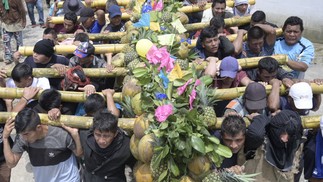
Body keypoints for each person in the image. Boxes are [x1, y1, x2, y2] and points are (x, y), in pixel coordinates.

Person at [3, 108, 83, 182]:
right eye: (22, 134)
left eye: (26, 134)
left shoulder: (61, 133)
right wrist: (5, 138)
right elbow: (11, 163)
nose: (24, 138)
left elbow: (79, 154)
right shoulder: (22, 137)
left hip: (68, 179)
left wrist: (75, 136)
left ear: (38, 128)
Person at [243, 110, 304, 182]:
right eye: (281, 132)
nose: (284, 139)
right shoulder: (260, 142)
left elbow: (296, 121)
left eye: (289, 135)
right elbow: (256, 135)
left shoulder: (294, 143)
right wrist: (261, 118)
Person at [80, 109, 136, 181]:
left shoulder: (125, 146)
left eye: (106, 136)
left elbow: (136, 167)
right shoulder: (85, 136)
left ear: (115, 134)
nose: (101, 141)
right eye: (97, 135)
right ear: (93, 131)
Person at [0, 0, 26, 64]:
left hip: (16, 22)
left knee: (19, 41)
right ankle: (8, 56)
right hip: (6, 23)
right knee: (6, 41)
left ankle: (19, 54)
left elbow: (22, 10)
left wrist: (24, 21)